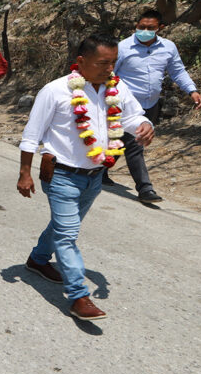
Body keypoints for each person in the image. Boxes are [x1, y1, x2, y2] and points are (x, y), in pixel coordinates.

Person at [17, 34, 154, 321]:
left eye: (113, 62)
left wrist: (143, 125)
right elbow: (32, 135)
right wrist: (24, 174)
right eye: (103, 63)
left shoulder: (115, 87)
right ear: (81, 62)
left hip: (95, 176)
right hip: (61, 174)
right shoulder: (55, 91)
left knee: (64, 225)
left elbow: (130, 117)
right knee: (68, 234)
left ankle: (38, 259)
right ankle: (79, 296)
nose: (109, 69)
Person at [110, 9, 201, 202]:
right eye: (141, 27)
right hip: (125, 105)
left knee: (124, 142)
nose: (144, 30)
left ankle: (100, 170)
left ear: (160, 28)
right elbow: (110, 74)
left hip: (151, 105)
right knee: (135, 144)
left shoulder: (168, 48)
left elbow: (178, 71)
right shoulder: (123, 47)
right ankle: (145, 189)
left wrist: (192, 90)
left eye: (150, 28)